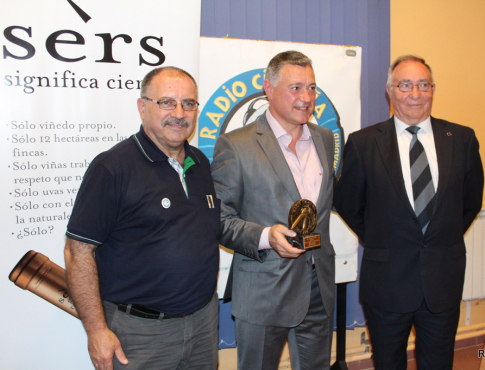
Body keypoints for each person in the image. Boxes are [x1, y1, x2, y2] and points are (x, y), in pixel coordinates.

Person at [64, 66, 220, 370]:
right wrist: (96, 330)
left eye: (188, 103)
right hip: (140, 334)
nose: (179, 112)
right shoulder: (112, 168)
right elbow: (77, 252)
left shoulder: (200, 162)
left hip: (202, 323)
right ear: (142, 107)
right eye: (167, 102)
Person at [334, 55, 484, 370]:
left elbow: (469, 203)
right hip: (387, 282)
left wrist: (440, 233)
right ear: (390, 91)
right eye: (405, 85)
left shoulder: (462, 139)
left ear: (432, 90)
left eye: (423, 85)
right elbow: (348, 203)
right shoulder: (363, 144)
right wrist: (379, 236)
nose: (415, 94)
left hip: (442, 282)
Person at [211, 50, 335, 370]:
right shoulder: (236, 145)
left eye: (311, 87)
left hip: (318, 287)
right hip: (264, 291)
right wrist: (266, 236)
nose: (306, 97)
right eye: (295, 88)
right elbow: (219, 220)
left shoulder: (324, 139)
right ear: (268, 89)